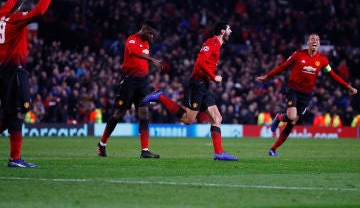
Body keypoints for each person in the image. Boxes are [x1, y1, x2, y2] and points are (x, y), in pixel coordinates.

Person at [142, 21, 238, 161]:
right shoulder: (213, 43)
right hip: (197, 84)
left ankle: (219, 153)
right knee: (188, 119)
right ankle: (160, 96)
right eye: (229, 29)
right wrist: (213, 76)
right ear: (222, 32)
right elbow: (200, 62)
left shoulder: (216, 45)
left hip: (203, 85)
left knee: (217, 118)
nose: (231, 31)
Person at [255, 33, 357, 157]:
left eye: (317, 40)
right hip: (293, 90)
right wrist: (267, 76)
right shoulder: (298, 55)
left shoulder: (322, 60)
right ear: (308, 43)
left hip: (306, 95)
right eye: (312, 39)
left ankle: (273, 149)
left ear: (319, 44)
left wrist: (348, 87)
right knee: (291, 116)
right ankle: (279, 117)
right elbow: (283, 67)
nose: (315, 41)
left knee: (291, 124)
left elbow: (333, 76)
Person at [0, 0, 61, 167]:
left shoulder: (2, 15)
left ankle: (15, 158)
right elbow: (39, 11)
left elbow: (9, 3)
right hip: (15, 72)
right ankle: (15, 159)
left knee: (9, 115)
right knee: (18, 113)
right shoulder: (17, 20)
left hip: (4, 73)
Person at [97, 20, 162, 158]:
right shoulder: (132, 40)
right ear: (144, 29)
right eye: (151, 34)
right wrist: (152, 60)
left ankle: (145, 150)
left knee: (144, 114)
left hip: (142, 82)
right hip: (129, 81)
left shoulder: (146, 43)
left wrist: (148, 68)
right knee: (119, 113)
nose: (152, 37)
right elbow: (135, 53)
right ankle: (102, 144)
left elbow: (141, 62)